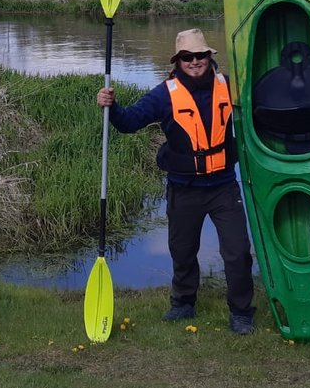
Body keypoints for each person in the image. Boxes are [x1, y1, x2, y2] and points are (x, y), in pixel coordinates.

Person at [96, 28, 256, 335]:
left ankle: (241, 312)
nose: (194, 62)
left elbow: (259, 108)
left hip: (223, 185)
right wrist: (111, 107)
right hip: (184, 188)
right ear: (178, 61)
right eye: (187, 57)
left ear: (210, 57)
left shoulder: (230, 86)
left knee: (237, 252)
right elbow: (130, 122)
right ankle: (183, 303)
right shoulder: (164, 94)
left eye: (200, 56)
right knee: (182, 250)